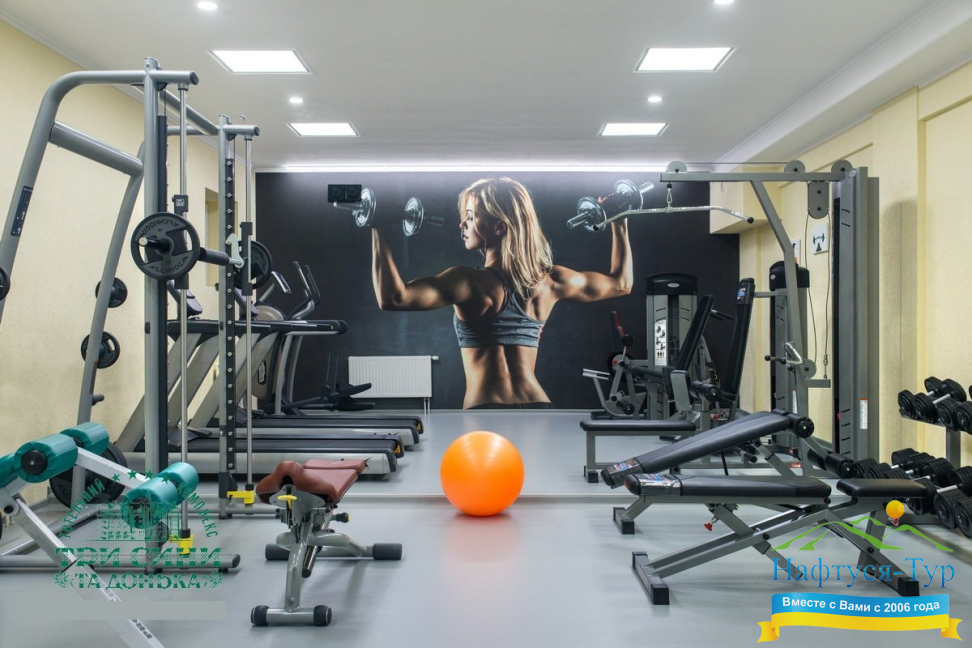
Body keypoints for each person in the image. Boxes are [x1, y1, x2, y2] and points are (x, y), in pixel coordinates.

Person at [371, 177, 632, 409]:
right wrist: (619, 219)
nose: (462, 224)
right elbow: (622, 283)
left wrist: (379, 227)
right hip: (538, 404)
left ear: (499, 227)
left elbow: (393, 298)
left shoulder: (467, 282)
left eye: (471, 216)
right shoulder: (551, 281)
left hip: (485, 408)